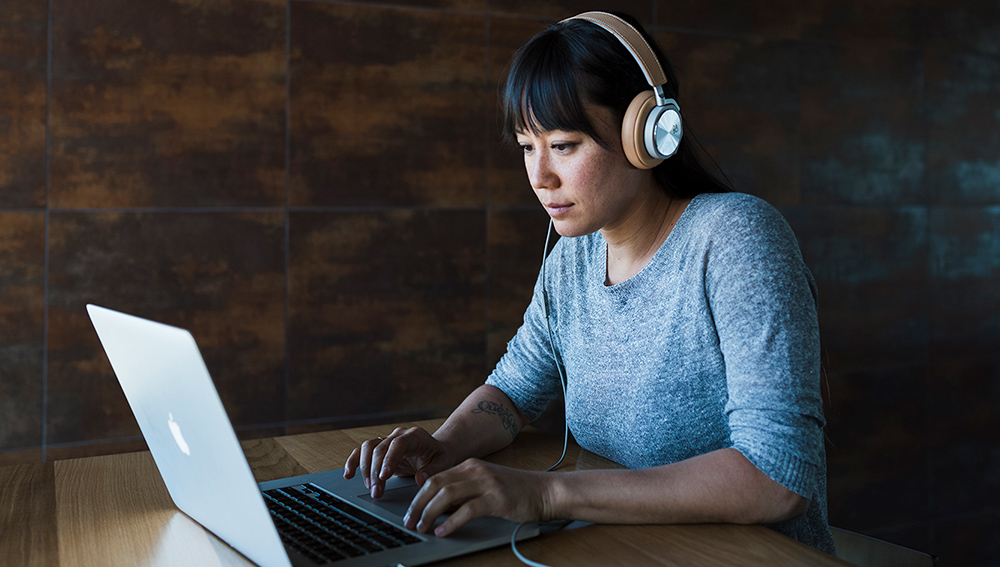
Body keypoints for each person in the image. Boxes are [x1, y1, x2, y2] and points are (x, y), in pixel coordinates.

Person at [343, 11, 835, 555]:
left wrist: (548, 493)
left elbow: (777, 477)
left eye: (565, 144)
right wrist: (443, 445)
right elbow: (512, 392)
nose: (540, 177)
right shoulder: (571, 260)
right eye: (528, 147)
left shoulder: (735, 239)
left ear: (647, 134)